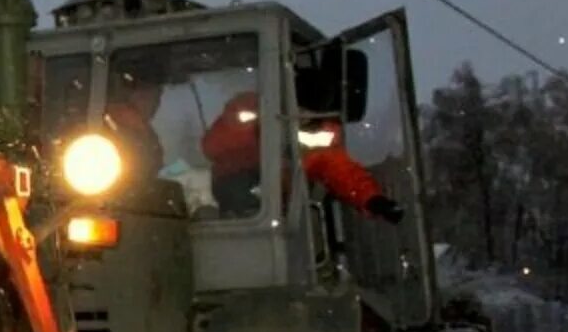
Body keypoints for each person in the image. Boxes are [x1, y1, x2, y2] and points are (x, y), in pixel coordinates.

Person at [200, 90, 405, 222]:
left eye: (309, 115)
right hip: (238, 206)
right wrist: (262, 134)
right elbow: (212, 147)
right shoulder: (247, 112)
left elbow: (340, 169)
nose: (304, 118)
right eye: (300, 110)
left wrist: (372, 199)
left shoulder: (316, 141)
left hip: (285, 216)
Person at [101, 70, 165, 182]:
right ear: (131, 95)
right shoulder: (114, 125)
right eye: (145, 96)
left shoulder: (143, 131)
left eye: (158, 97)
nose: (154, 103)